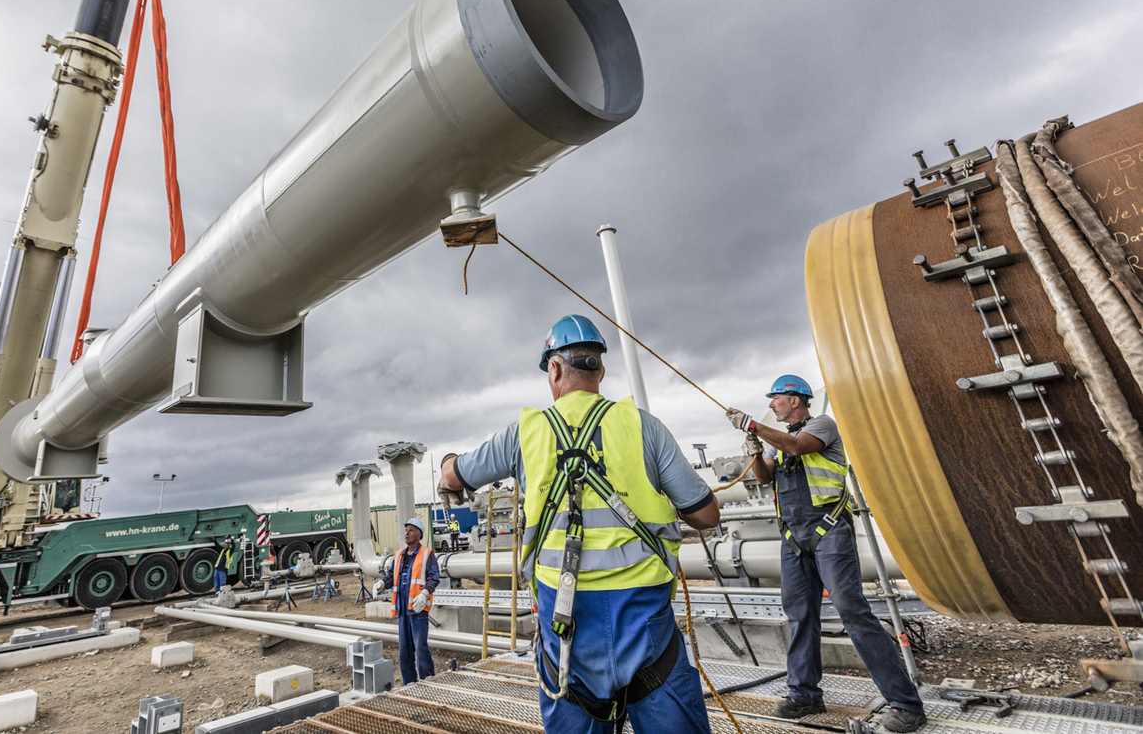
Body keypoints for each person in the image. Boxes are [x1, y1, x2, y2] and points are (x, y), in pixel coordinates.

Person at [439, 314, 719, 734]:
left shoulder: (524, 434)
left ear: (554, 369)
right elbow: (706, 514)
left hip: (564, 621)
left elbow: (453, 477)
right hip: (644, 621)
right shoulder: (644, 427)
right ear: (601, 370)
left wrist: (446, 463)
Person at [725, 375, 926, 733]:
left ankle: (906, 705)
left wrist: (754, 425)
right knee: (799, 614)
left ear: (795, 399)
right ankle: (804, 695)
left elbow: (799, 447)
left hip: (828, 529)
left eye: (776, 399)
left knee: (853, 612)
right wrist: (755, 449)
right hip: (793, 537)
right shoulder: (777, 441)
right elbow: (765, 476)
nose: (771, 405)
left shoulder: (821, 426)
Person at [379, 517, 440, 684]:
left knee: (420, 648)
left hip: (418, 609)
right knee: (404, 650)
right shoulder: (399, 555)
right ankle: (409, 684)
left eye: (411, 530)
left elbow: (434, 577)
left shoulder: (427, 554)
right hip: (403, 610)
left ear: (418, 535)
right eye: (406, 530)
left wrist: (425, 593)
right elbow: (392, 576)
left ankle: (428, 682)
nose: (406, 533)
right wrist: (382, 582)